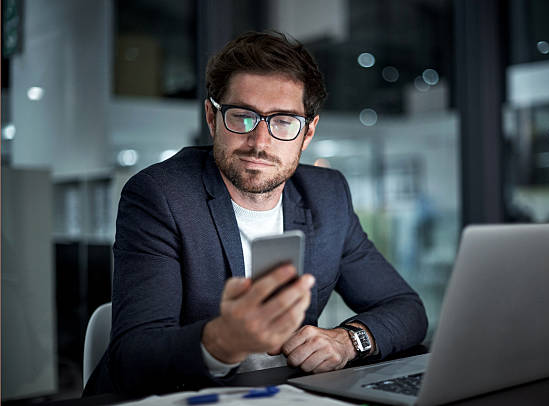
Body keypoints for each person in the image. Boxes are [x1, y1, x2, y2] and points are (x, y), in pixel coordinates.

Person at [84, 31, 427, 396]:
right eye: (243, 116)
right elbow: (132, 357)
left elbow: (405, 309)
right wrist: (223, 341)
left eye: (283, 121)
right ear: (212, 118)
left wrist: (347, 341)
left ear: (308, 132)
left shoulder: (328, 196)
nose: (259, 143)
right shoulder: (160, 196)